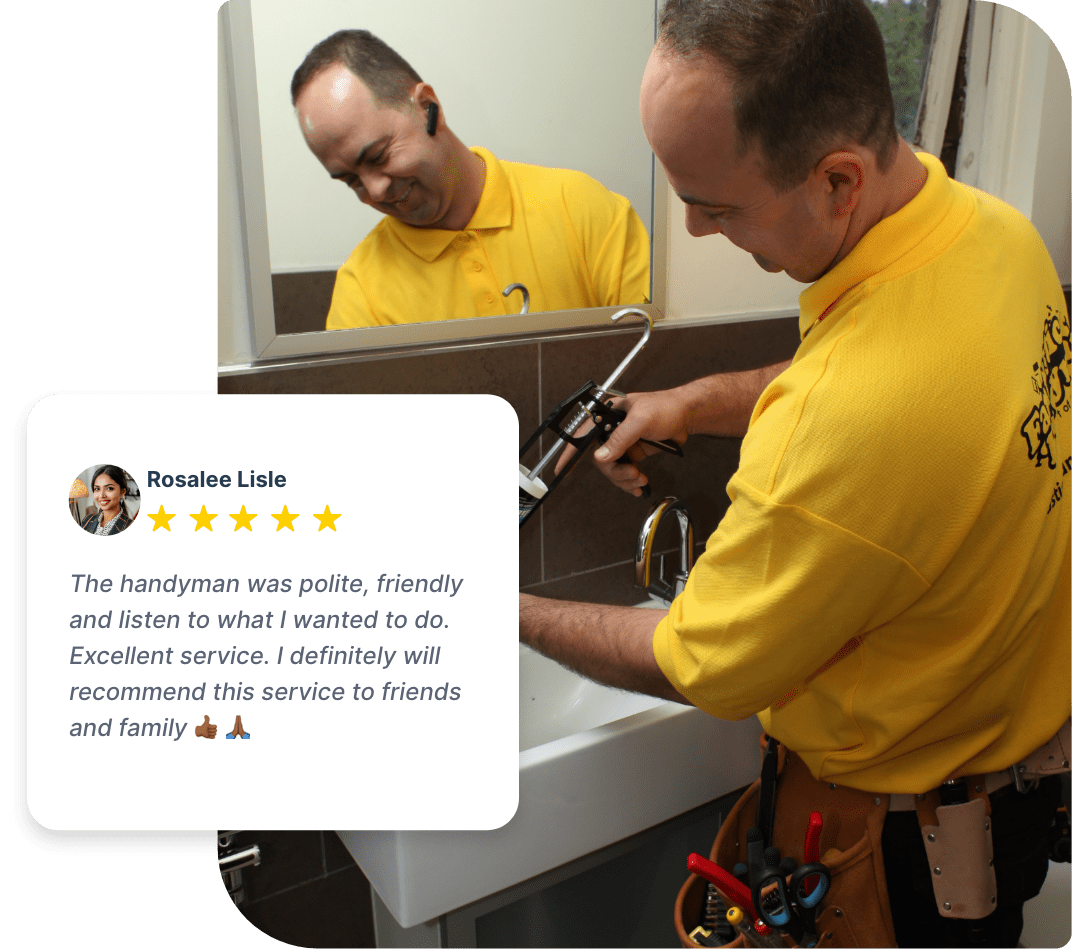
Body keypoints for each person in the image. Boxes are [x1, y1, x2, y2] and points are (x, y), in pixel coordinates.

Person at [518, 1, 1070, 946]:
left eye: (718, 204)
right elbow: (859, 374)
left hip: (895, 869)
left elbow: (702, 662)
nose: (688, 228)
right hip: (1005, 799)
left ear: (838, 181)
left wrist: (483, 606)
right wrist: (694, 401)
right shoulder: (994, 240)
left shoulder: (843, 429)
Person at [291, 30, 650, 329]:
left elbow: (662, 362)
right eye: (351, 181)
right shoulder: (360, 293)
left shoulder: (582, 208)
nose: (375, 190)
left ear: (428, 106)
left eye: (378, 156)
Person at [80, 466, 136, 536]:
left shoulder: (130, 526)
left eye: (109, 488)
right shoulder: (87, 520)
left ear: (122, 492)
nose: (101, 495)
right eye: (97, 489)